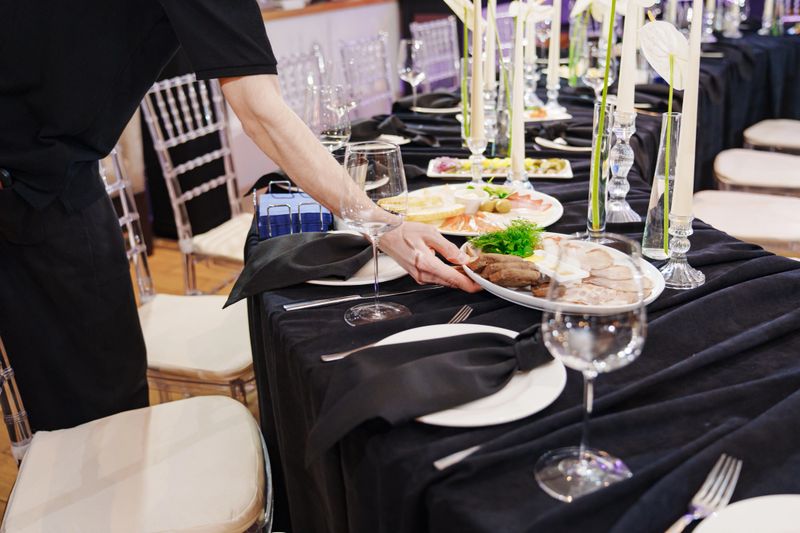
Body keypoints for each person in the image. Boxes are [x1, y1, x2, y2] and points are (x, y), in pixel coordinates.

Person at [0, 0, 479, 432]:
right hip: (34, 197)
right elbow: (260, 111)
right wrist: (381, 224)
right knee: (101, 423)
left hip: (40, 181)